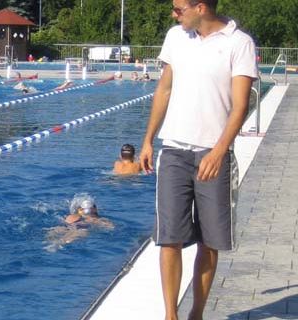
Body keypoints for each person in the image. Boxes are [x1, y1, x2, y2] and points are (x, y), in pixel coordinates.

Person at [138, 1, 257, 319]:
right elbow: (163, 90)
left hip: (212, 154)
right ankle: (170, 315)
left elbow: (240, 105)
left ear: (201, 7)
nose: (173, 14)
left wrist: (219, 151)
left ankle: (196, 313)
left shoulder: (239, 43)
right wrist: (149, 139)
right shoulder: (176, 37)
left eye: (178, 8)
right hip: (174, 150)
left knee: (209, 240)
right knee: (169, 238)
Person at [45, 194, 114, 252]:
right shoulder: (97, 219)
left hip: (69, 224)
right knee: (80, 233)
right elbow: (110, 227)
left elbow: (64, 222)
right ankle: (58, 244)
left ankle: (50, 242)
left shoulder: (72, 216)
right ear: (95, 209)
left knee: (57, 230)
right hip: (82, 227)